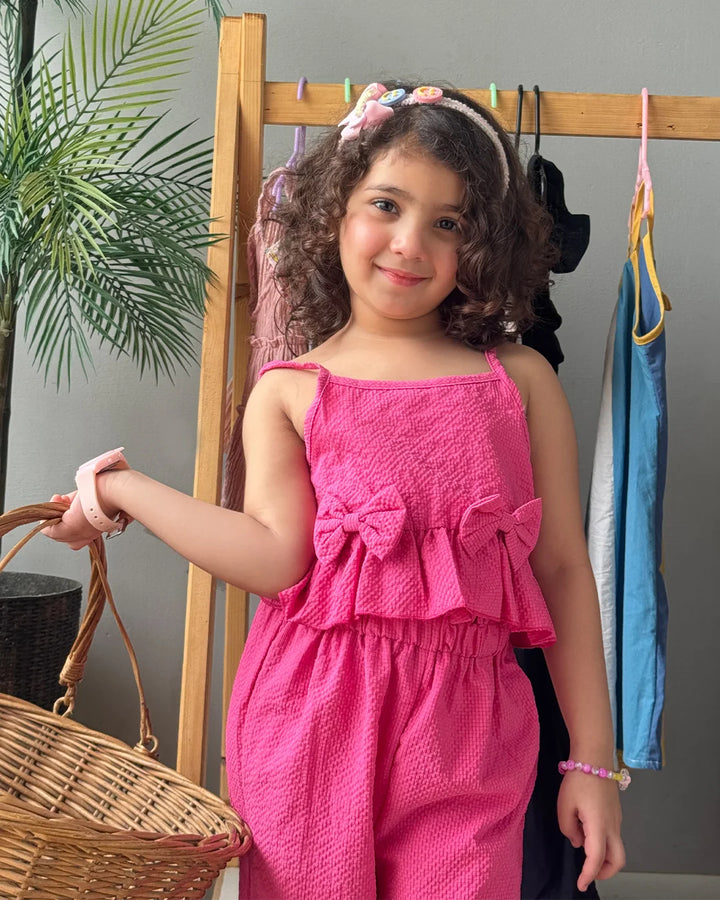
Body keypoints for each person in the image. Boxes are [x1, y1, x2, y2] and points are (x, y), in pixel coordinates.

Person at [43, 81, 626, 899]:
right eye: (386, 204)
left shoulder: (518, 380)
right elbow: (278, 558)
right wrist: (125, 489)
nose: (409, 242)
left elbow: (564, 570)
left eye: (447, 222)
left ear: (480, 243)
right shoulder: (290, 391)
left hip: (471, 730)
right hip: (308, 720)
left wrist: (592, 760)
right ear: (334, 212)